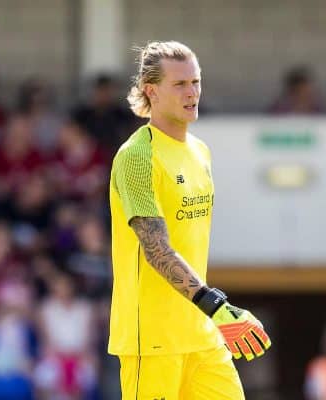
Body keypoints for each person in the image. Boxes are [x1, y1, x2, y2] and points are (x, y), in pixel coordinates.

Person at [108, 41, 271, 399]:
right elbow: (157, 250)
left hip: (201, 335)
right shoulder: (136, 157)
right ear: (151, 91)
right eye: (180, 84)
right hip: (151, 341)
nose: (192, 92)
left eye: (196, 82)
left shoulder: (200, 151)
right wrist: (217, 305)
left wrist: (212, 313)